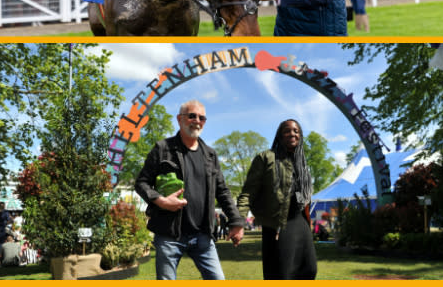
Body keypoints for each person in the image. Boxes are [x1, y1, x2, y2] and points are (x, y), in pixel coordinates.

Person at [135, 100, 246, 280]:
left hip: (203, 235)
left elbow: (223, 191)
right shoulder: (163, 149)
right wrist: (161, 201)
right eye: (192, 116)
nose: (197, 120)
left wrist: (236, 221)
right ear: (179, 119)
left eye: (202, 118)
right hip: (169, 234)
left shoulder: (210, 154)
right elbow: (141, 183)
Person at [236, 119, 318, 280]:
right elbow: (247, 193)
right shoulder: (266, 158)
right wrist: (238, 221)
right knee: (282, 274)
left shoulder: (302, 163)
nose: (292, 133)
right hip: (278, 226)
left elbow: (305, 198)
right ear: (280, 136)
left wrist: (309, 223)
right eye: (287, 130)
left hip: (301, 224)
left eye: (296, 131)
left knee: (309, 270)